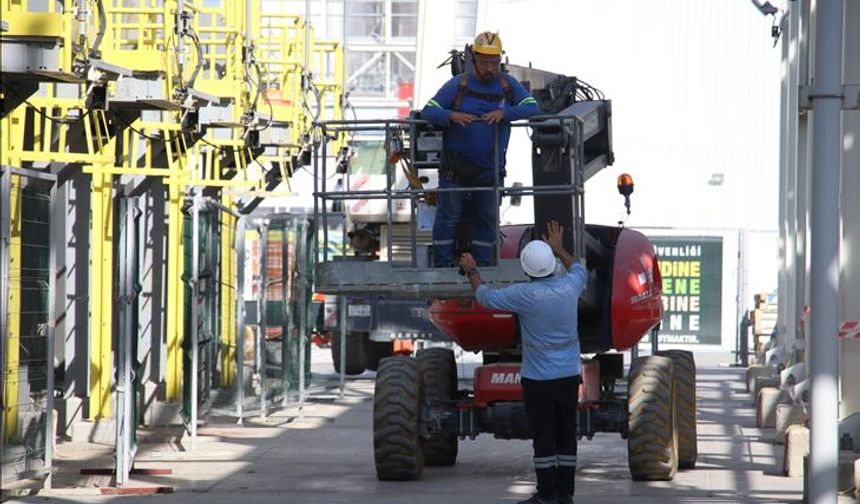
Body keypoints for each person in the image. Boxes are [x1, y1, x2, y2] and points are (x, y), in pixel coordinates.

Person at [459, 221, 587, 504]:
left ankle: (546, 495)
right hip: (568, 377)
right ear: (552, 265)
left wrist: (472, 270)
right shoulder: (569, 287)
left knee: (544, 438)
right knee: (566, 436)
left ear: (526, 270)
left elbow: (484, 297)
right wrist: (559, 248)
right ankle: (565, 495)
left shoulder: (523, 295)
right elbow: (580, 268)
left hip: (539, 382)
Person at [421, 31, 540, 267]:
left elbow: (532, 107)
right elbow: (429, 111)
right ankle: (443, 265)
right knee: (448, 218)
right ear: (474, 59)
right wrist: (451, 115)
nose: (490, 68)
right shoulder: (458, 84)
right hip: (456, 169)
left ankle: (484, 266)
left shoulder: (507, 84)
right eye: (485, 62)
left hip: (489, 171)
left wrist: (505, 113)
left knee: (486, 219)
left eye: (494, 63)